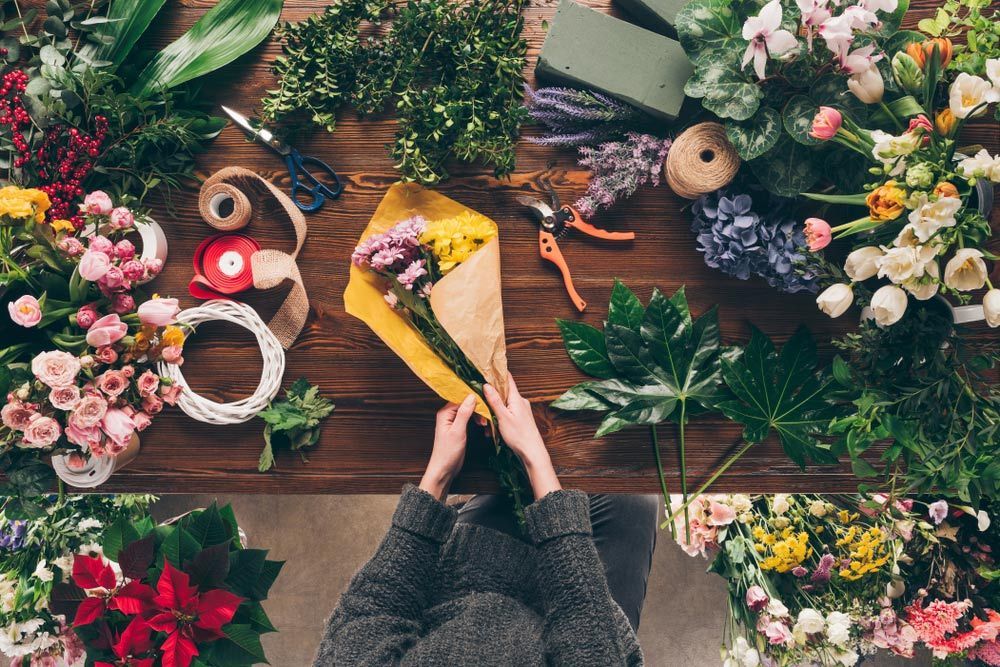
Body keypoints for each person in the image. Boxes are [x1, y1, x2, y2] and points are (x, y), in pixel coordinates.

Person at [313, 374, 658, 666]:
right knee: (634, 488)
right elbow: (589, 637)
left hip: (470, 582)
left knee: (501, 478)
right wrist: (535, 458)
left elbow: (371, 612)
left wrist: (438, 477)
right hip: (586, 627)